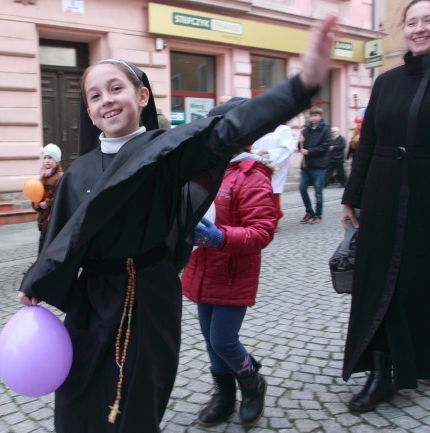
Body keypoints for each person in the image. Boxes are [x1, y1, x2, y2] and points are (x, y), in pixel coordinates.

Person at [17, 16, 338, 433]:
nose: (106, 101)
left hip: (147, 296)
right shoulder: (78, 173)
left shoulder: (165, 151)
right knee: (79, 398)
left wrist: (302, 85)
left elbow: (227, 128)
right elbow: (62, 240)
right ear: (90, 114)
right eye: (94, 96)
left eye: (116, 88)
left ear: (142, 95)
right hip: (91, 302)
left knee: (132, 403)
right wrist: (37, 283)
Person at [340, 0, 430, 414]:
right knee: (379, 280)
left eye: (428, 20)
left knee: (419, 281)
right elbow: (367, 145)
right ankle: (379, 372)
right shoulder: (387, 81)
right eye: (411, 21)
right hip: (382, 191)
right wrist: (351, 196)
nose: (418, 28)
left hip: (429, 194)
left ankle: (416, 360)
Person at [181, 121, 277, 427]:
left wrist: (221, 238)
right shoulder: (206, 169)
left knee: (223, 340)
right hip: (202, 267)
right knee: (210, 341)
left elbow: (262, 231)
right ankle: (224, 396)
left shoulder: (252, 174)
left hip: (234, 271)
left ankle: (252, 383)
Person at [251, 123, 295, 222]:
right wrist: (258, 152)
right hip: (260, 163)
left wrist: (269, 152)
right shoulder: (260, 128)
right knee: (261, 192)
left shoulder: (284, 129)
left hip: (277, 165)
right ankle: (274, 214)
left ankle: (274, 218)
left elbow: (287, 149)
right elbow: (253, 146)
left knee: (274, 191)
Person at [298, 106, 331, 224]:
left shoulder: (326, 129)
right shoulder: (306, 130)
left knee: (318, 192)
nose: (313, 118)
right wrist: (300, 141)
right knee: (302, 188)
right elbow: (301, 147)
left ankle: (318, 215)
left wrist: (309, 151)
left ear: (320, 116)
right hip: (306, 166)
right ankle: (309, 211)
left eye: (316, 115)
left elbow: (325, 146)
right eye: (312, 115)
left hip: (319, 166)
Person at [31, 143, 64, 254]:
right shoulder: (42, 176)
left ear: (56, 160)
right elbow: (36, 192)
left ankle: (41, 268)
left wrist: (47, 203)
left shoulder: (60, 176)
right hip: (44, 216)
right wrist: (36, 203)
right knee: (44, 241)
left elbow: (61, 196)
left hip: (53, 216)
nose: (47, 160)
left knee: (46, 242)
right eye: (45, 157)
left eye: (50, 157)